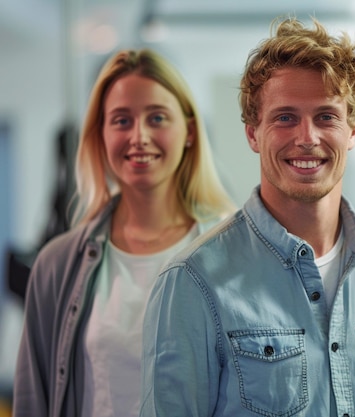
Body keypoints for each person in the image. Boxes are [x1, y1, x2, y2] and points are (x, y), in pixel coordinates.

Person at [140, 17, 355, 417]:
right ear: (253, 134)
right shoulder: (192, 280)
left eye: (326, 116)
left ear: (352, 132)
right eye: (285, 117)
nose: (307, 137)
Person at [13, 48, 235, 417]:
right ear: (100, 135)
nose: (139, 136)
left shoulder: (234, 256)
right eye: (121, 120)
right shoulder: (57, 264)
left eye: (157, 117)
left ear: (190, 131)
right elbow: (32, 400)